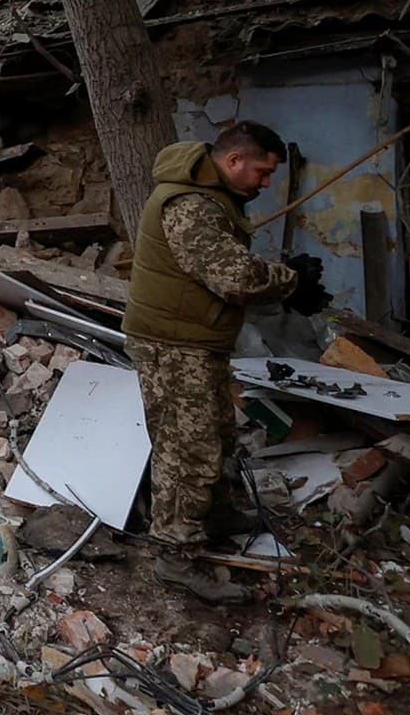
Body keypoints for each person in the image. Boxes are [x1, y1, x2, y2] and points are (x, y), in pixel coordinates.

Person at [121, 120, 325, 604]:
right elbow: (232, 277)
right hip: (173, 344)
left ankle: (213, 517)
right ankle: (176, 556)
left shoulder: (211, 196)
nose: (266, 183)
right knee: (186, 450)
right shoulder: (189, 204)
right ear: (233, 162)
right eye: (262, 171)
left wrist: (284, 280)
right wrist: (289, 279)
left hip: (196, 340)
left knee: (216, 433)